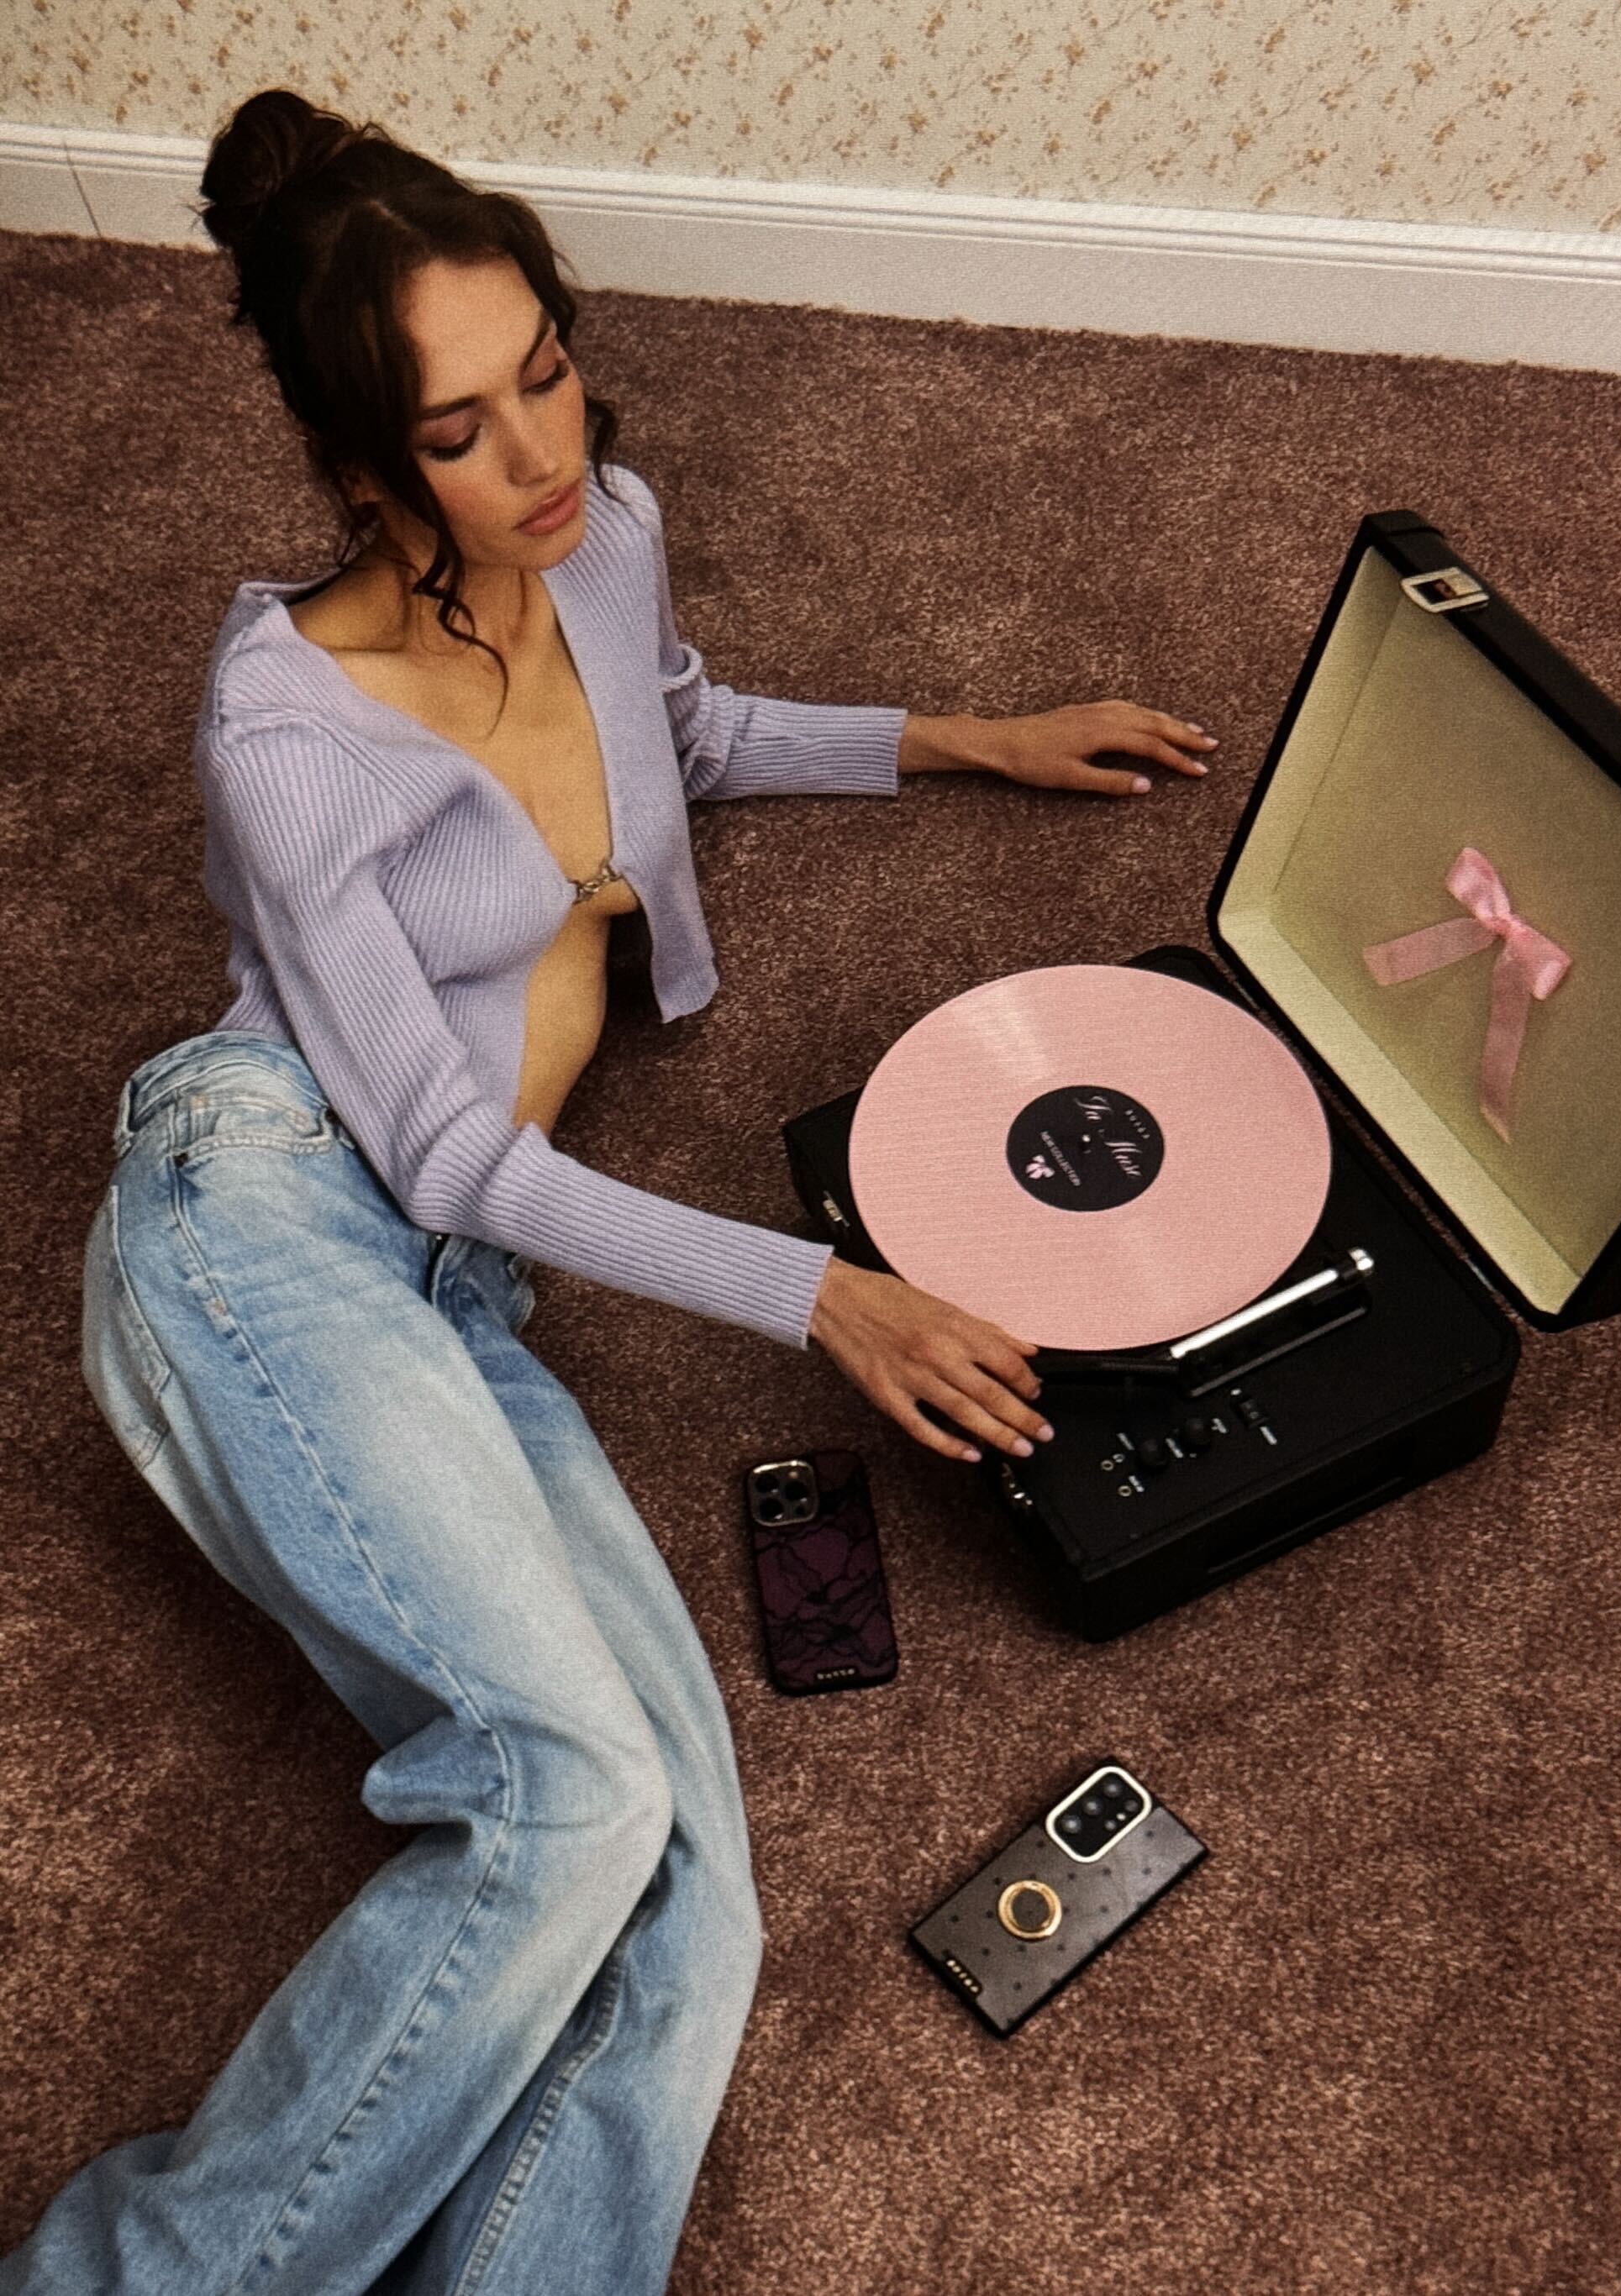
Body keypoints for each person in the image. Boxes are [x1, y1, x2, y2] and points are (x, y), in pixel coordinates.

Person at [3, 87, 1217, 2296]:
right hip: (265, 1213)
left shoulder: (610, 530)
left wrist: (962, 732)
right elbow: (447, 1141)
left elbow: (683, 721)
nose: (540, 454)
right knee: (562, 1798)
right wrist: (824, 1295)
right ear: (370, 471)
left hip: (455, 1289)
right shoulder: (285, 733)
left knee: (690, 1896)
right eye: (465, 429)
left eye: (546, 370)